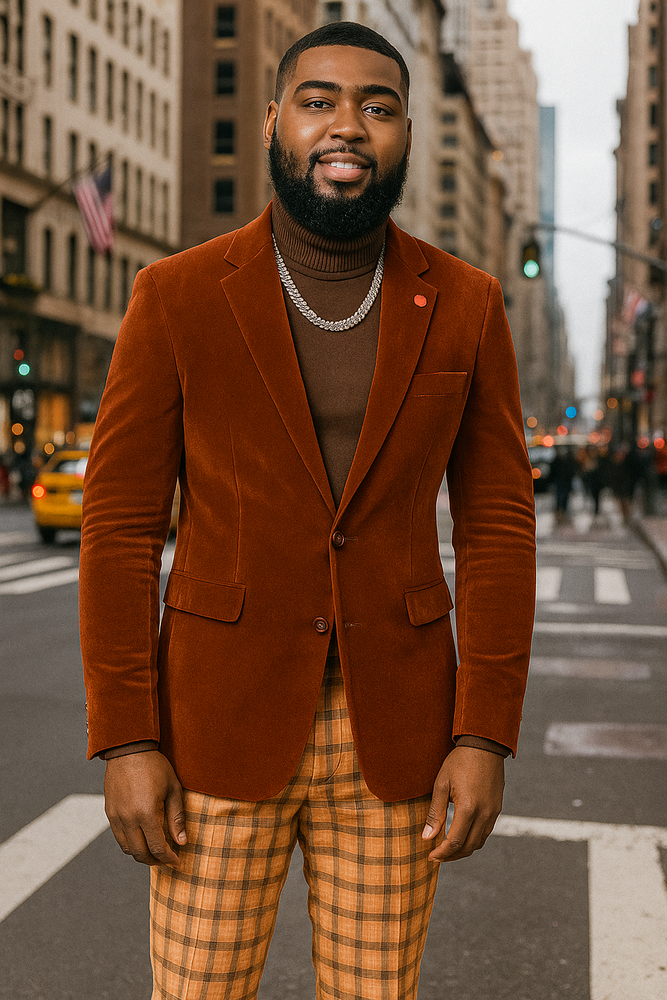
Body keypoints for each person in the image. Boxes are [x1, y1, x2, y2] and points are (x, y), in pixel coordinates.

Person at [80, 22, 536, 1000]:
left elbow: (496, 525)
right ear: (274, 122)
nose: (348, 125)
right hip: (214, 727)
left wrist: (483, 732)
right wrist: (126, 736)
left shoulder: (466, 303)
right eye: (320, 100)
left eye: (377, 106)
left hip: (398, 732)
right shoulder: (175, 295)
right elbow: (118, 525)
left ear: (405, 135)